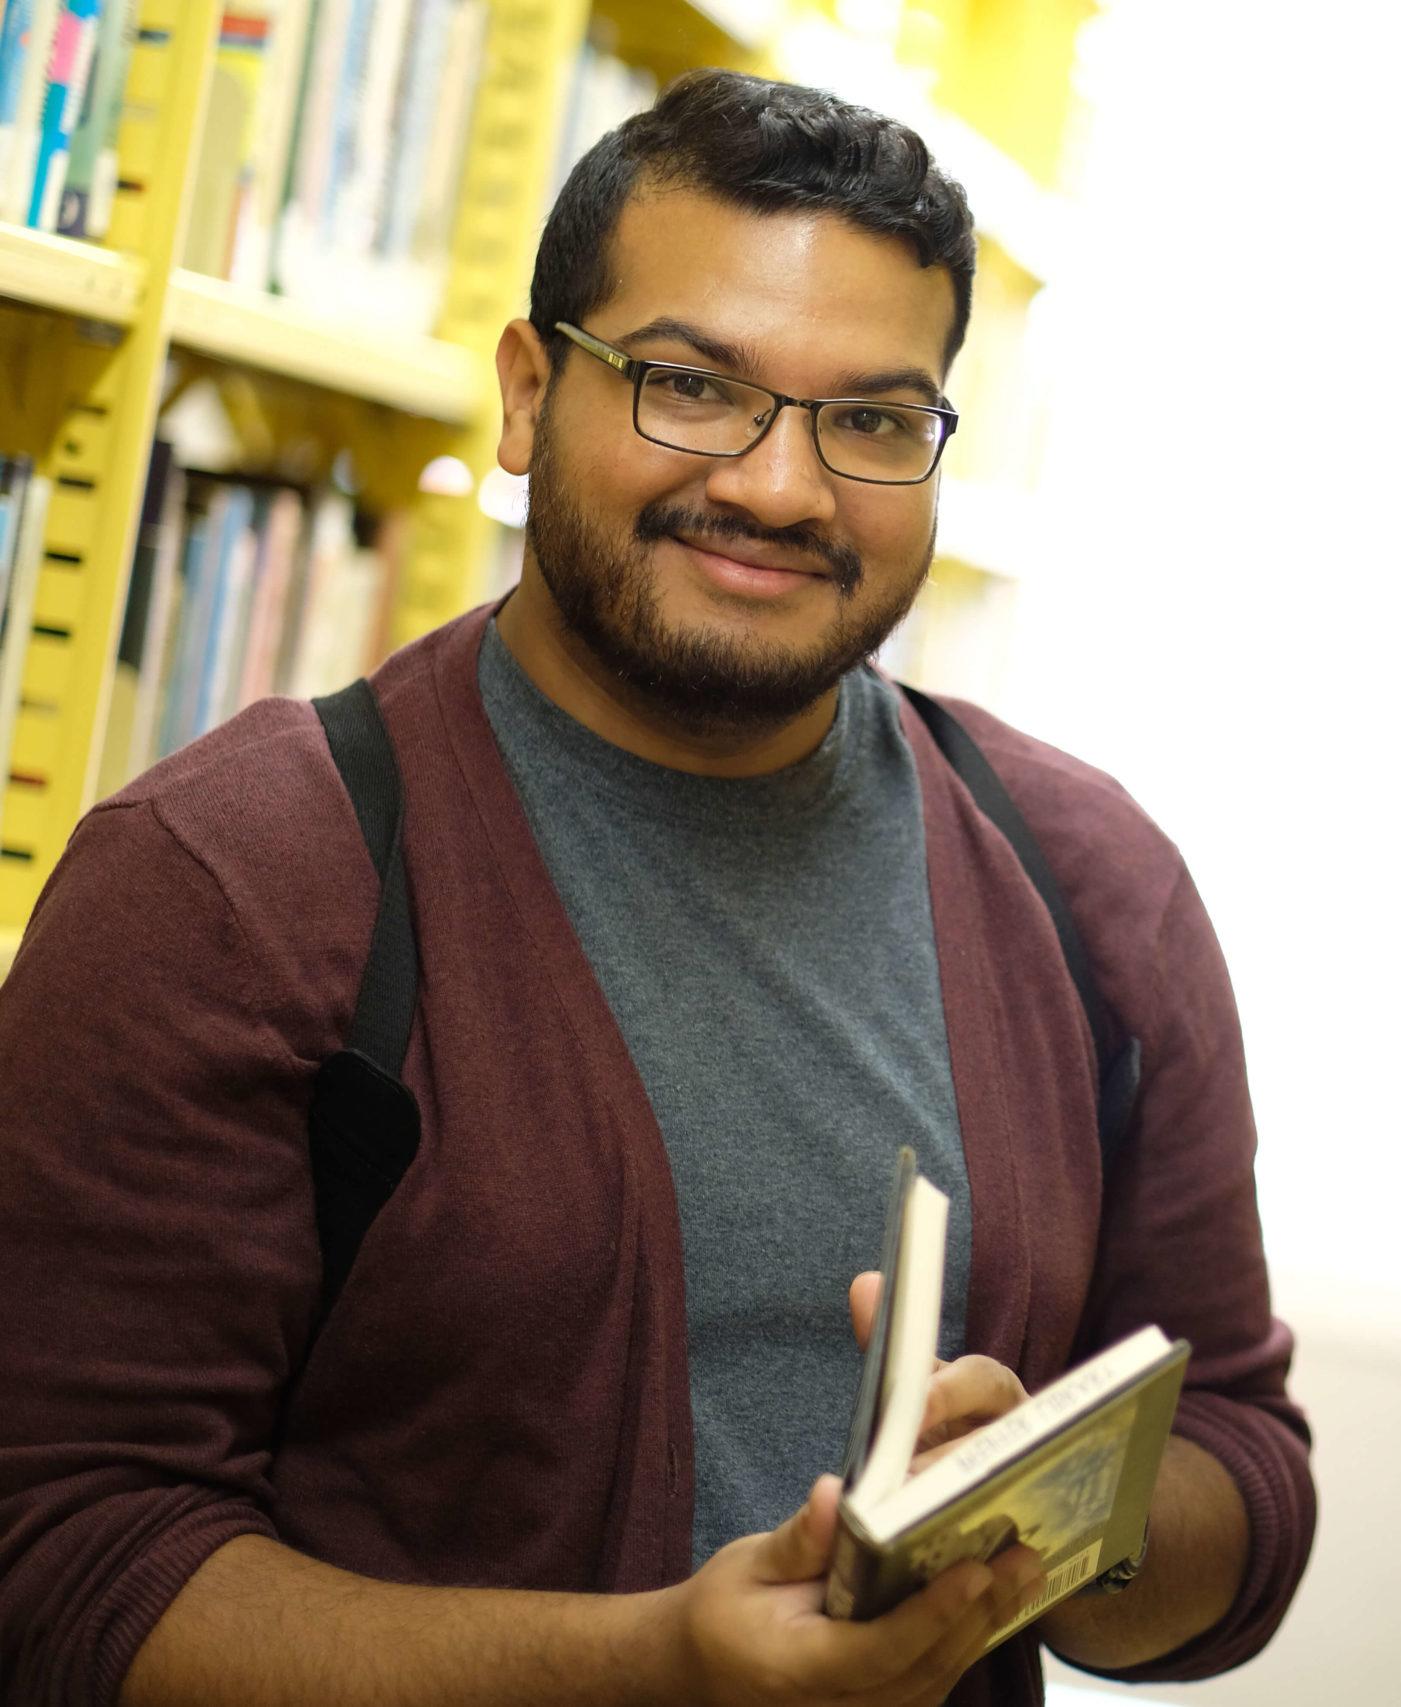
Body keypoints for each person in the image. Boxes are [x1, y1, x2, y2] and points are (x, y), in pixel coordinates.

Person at [0, 70, 1313, 1707]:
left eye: (874, 419)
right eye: (693, 386)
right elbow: (63, 1566)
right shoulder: (229, 886)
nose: (779, 488)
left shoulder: (1094, 887)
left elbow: (1244, 1465)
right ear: (528, 395)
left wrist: (1055, 1517)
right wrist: (649, 1671)